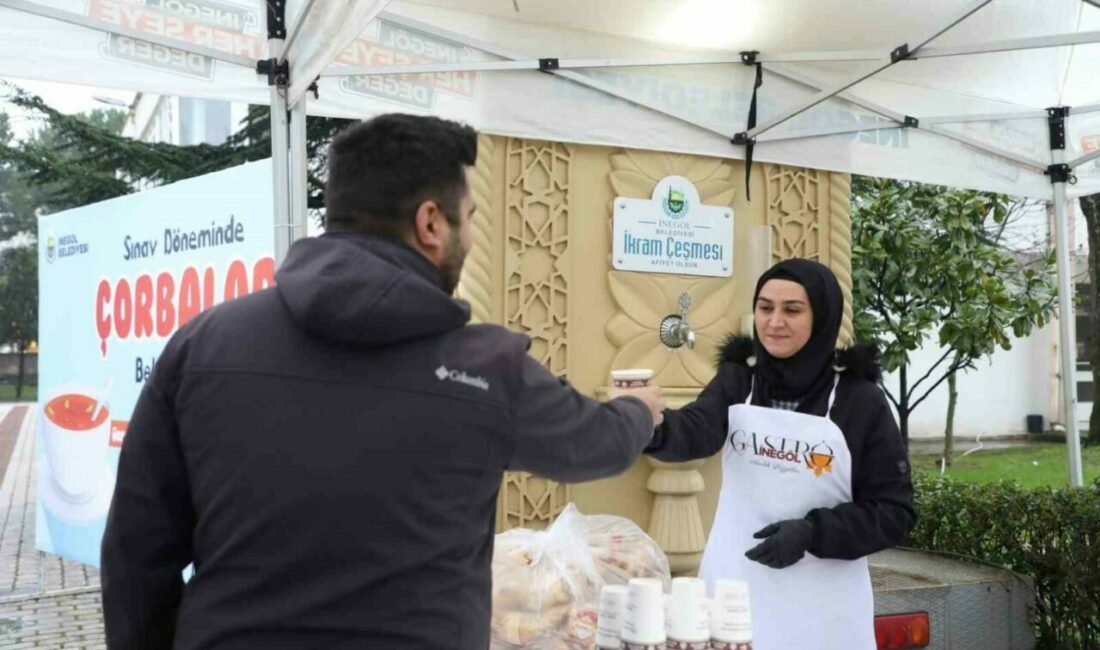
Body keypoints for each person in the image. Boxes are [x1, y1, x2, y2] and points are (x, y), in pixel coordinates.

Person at [100, 113, 665, 650]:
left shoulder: (204, 345)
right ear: (430, 223)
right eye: (469, 218)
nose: (470, 236)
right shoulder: (488, 368)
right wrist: (639, 410)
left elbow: (136, 552)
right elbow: (597, 444)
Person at [641, 258, 915, 650]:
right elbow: (696, 430)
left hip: (823, 610)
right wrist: (646, 423)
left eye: (792, 310)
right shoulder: (740, 381)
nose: (774, 322)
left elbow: (894, 512)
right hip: (735, 597)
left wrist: (812, 532)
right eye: (765, 307)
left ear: (821, 317)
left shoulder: (858, 401)